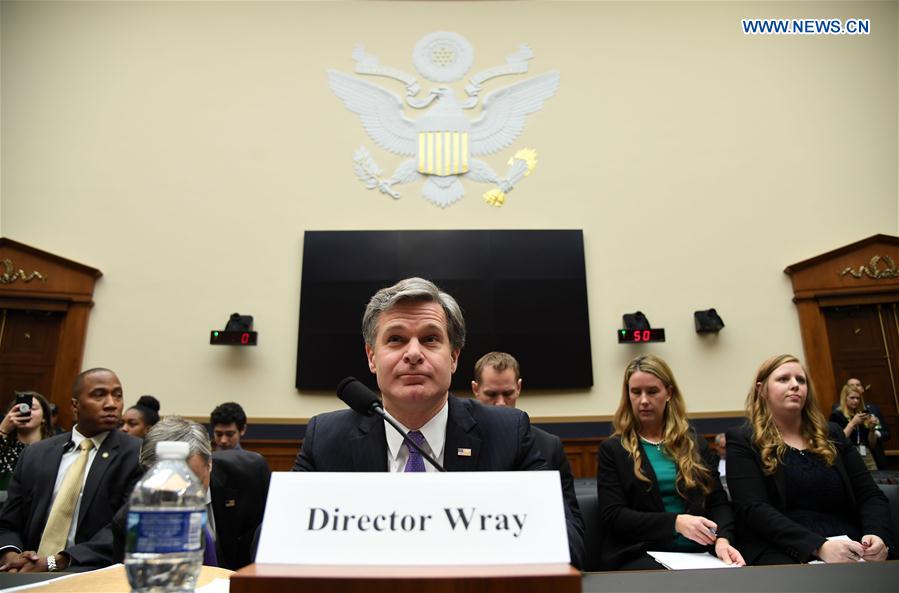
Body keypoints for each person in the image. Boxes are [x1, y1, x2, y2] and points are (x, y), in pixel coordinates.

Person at [292, 277, 584, 568]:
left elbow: (567, 545)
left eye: (430, 339)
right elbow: (273, 544)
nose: (414, 354)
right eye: (396, 339)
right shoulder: (326, 439)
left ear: (454, 357)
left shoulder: (508, 433)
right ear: (372, 357)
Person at [726, 355, 894, 565]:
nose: (795, 385)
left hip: (850, 546)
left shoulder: (833, 434)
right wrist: (819, 546)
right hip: (783, 550)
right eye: (783, 379)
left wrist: (877, 535)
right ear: (762, 389)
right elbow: (753, 509)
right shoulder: (743, 439)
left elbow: (870, 495)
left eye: (801, 380)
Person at [597, 354, 742, 570]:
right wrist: (676, 523)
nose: (644, 400)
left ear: (669, 393)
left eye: (653, 391)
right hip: (643, 554)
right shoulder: (613, 449)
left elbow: (718, 502)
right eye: (636, 392)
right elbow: (615, 516)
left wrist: (723, 539)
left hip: (701, 553)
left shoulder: (694, 444)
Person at [0, 368, 142, 572]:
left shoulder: (138, 455)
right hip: (25, 573)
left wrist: (55, 561)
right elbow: (8, 523)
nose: (112, 404)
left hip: (91, 573)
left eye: (117, 395)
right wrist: (11, 556)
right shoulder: (35, 454)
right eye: (99, 395)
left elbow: (127, 528)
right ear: (75, 405)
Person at [111, 417, 271, 570]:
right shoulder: (131, 520)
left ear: (209, 464)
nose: (183, 496)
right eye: (170, 488)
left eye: (192, 483)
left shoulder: (249, 477)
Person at [471, 351, 584, 549]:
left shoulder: (549, 446)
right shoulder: (463, 443)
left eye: (508, 393)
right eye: (491, 394)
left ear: (519, 388)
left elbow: (571, 523)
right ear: (476, 390)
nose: (500, 403)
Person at [829, 379, 889, 470]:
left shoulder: (863, 414)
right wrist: (853, 423)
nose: (856, 401)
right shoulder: (837, 415)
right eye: (852, 398)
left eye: (858, 398)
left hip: (867, 455)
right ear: (845, 398)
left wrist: (872, 429)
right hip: (849, 455)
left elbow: (872, 444)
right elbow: (838, 441)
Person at [0, 392, 54, 491]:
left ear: (44, 418)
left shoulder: (54, 450)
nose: (25, 411)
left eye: (33, 408)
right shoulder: (3, 447)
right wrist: (3, 429)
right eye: (19, 408)